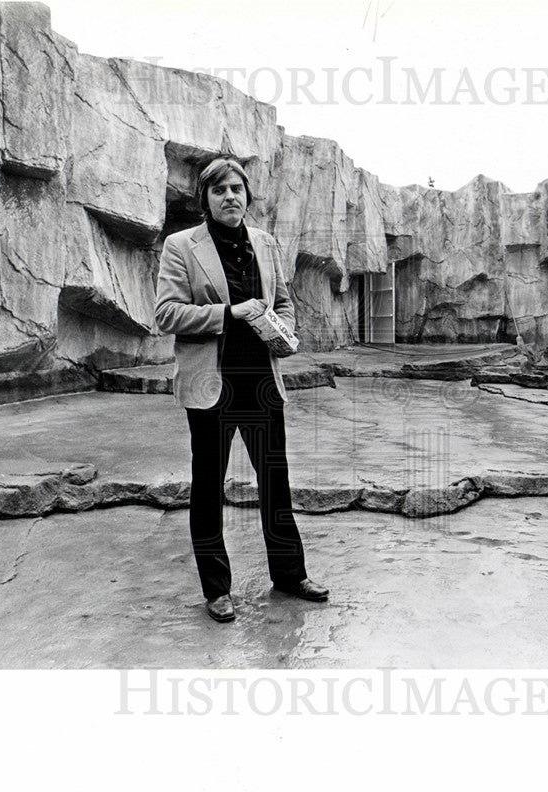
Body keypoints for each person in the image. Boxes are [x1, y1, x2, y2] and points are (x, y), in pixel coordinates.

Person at [154, 158, 328, 623]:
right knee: (208, 489)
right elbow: (166, 314)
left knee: (276, 484)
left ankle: (290, 575)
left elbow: (285, 301)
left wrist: (285, 332)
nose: (230, 196)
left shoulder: (266, 243)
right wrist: (228, 313)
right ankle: (217, 590)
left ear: (247, 196)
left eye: (237, 189)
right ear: (205, 199)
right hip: (212, 386)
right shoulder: (181, 246)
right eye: (220, 190)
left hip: (261, 385)